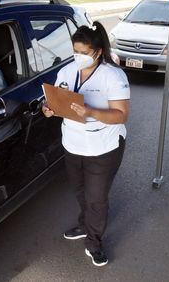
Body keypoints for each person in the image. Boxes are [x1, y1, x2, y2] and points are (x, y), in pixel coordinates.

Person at [42, 21, 130, 267]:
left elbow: (121, 114)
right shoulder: (67, 72)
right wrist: (48, 109)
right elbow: (56, 100)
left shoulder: (113, 76)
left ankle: (94, 242)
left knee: (96, 198)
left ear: (98, 52)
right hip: (72, 143)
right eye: (75, 51)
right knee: (80, 190)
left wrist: (90, 111)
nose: (78, 57)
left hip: (103, 146)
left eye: (83, 53)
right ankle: (85, 224)